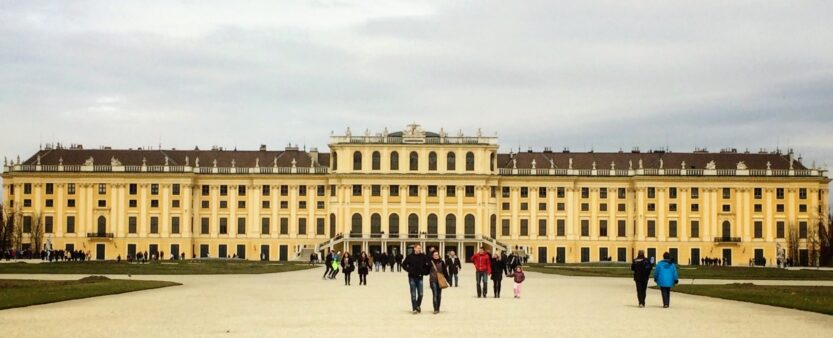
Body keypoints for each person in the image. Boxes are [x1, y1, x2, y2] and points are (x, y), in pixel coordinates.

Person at [402, 244, 430, 314]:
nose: (419, 249)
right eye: (418, 248)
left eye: (420, 248)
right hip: (412, 277)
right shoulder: (410, 256)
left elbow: (428, 265)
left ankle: (417, 305)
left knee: (421, 294)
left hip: (420, 277)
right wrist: (409, 270)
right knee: (413, 294)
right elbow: (403, 264)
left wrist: (424, 272)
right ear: (414, 249)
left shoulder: (423, 256)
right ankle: (414, 308)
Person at [428, 250, 450, 314]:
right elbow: (426, 270)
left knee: (439, 295)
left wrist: (448, 280)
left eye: (437, 254)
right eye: (434, 255)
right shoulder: (430, 262)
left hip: (440, 280)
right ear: (432, 256)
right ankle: (435, 309)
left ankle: (438, 308)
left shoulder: (442, 262)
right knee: (435, 294)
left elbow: (445, 272)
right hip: (433, 280)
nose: (436, 256)